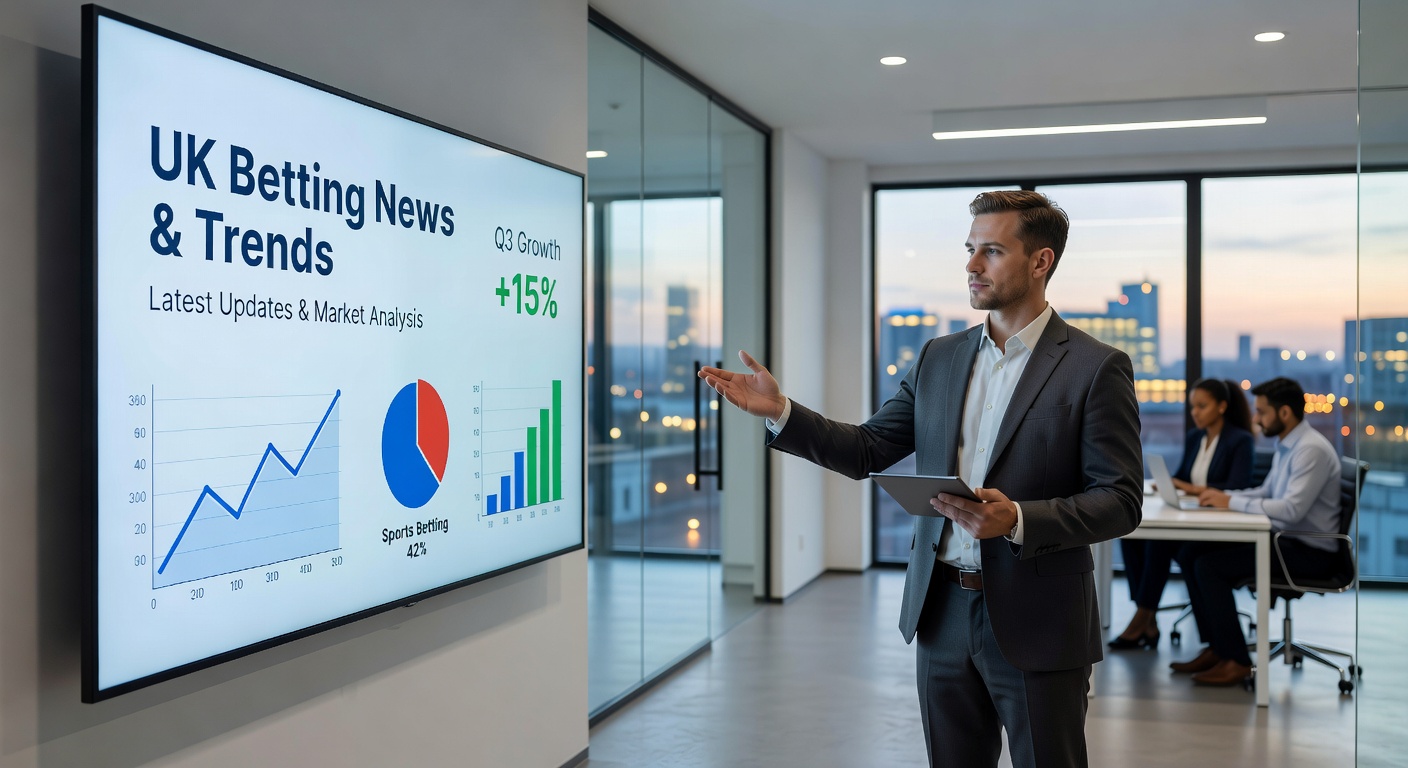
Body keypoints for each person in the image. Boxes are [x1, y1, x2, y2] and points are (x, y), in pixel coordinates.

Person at [699, 191, 1142, 768]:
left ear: (1041, 262)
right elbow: (867, 448)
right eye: (968, 250)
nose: (971, 266)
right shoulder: (939, 358)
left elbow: (1120, 499)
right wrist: (782, 411)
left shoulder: (1095, 367)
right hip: (942, 617)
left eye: (991, 251)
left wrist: (1020, 520)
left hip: (1039, 620)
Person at [1168, 377, 1343, 686]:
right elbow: (1266, 492)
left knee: (1208, 566)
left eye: (1261, 412)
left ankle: (1235, 660)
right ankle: (1217, 648)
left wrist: (1230, 500)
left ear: (1284, 413)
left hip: (1309, 552)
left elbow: (1290, 510)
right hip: (1285, 542)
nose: (1256, 420)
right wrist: (1218, 496)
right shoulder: (1288, 445)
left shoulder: (1309, 450)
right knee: (1189, 553)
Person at [1109, 378, 1254, 649]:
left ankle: (1142, 617)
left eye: (1202, 406)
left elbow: (1237, 486)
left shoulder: (1240, 440)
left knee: (1159, 543)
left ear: (1222, 407)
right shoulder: (1196, 437)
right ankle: (1146, 616)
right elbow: (1184, 476)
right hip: (1195, 516)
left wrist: (1185, 487)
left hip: (1221, 525)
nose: (1195, 413)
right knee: (1131, 535)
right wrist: (1167, 484)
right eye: (1192, 407)